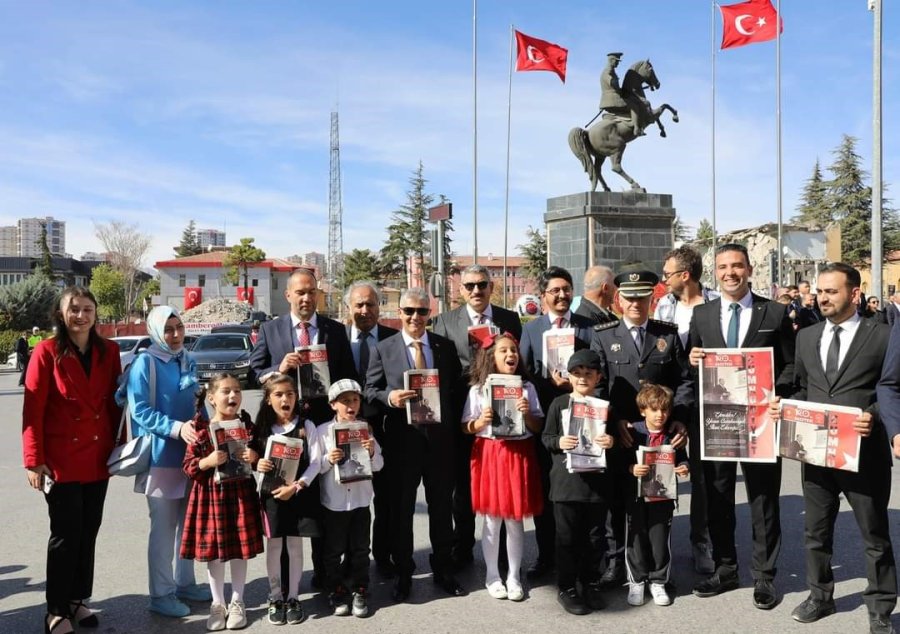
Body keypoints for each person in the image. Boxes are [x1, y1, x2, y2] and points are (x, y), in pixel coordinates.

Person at [769, 263, 896, 633]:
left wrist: (874, 417)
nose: (822, 297)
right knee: (816, 532)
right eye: (820, 292)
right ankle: (819, 596)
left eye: (831, 291)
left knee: (874, 535)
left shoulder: (885, 335)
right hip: (816, 455)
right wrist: (784, 405)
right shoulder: (807, 337)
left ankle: (881, 609)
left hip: (865, 454)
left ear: (854, 294)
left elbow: (894, 390)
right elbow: (800, 388)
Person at [688, 243, 796, 609]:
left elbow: (791, 366)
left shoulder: (776, 312)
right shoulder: (702, 316)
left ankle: (765, 576)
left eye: (737, 266)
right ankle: (725, 567)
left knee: (763, 499)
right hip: (717, 422)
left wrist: (777, 393)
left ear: (749, 269)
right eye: (723, 267)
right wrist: (692, 359)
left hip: (760, 422)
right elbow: (692, 367)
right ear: (714, 272)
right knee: (718, 497)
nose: (730, 273)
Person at [22, 287, 122, 634]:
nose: (81, 316)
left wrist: (122, 449)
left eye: (88, 309)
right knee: (65, 534)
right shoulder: (46, 352)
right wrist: (34, 460)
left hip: (97, 457)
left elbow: (114, 403)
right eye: (74, 309)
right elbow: (32, 410)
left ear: (96, 314)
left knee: (88, 531)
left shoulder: (109, 351)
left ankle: (79, 599)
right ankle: (55, 609)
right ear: (60, 314)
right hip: (60, 460)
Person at [591, 269, 692, 587]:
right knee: (618, 503)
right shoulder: (603, 334)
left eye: (642, 297)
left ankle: (656, 568)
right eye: (630, 297)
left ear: (652, 298)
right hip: (623, 436)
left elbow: (685, 380)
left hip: (660, 434)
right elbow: (598, 386)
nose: (636, 303)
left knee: (658, 504)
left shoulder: (668, 334)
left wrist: (681, 417)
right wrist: (612, 420)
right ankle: (616, 563)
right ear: (618, 299)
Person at [364, 287, 466, 602]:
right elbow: (369, 390)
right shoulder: (384, 348)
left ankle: (444, 570)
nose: (415, 318)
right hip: (402, 444)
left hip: (440, 443)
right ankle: (404, 573)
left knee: (440, 510)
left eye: (422, 312)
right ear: (400, 313)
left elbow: (456, 392)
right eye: (409, 311)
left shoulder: (444, 347)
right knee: (402, 511)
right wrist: (388, 397)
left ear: (429, 315)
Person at [431, 264, 522, 569]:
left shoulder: (509, 319)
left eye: (481, 284)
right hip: (462, 414)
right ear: (460, 290)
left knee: (501, 480)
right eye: (469, 286)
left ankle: (502, 548)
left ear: (491, 286)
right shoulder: (444, 322)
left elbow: (517, 362)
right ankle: (463, 545)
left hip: (503, 414)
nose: (476, 291)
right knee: (463, 483)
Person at [126, 306, 209, 618]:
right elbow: (140, 411)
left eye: (179, 328)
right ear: (156, 330)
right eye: (169, 329)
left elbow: (198, 402)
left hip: (191, 458)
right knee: (163, 529)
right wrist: (176, 428)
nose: (175, 335)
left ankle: (185, 583)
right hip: (160, 457)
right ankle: (160, 595)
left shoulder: (187, 359)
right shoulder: (145, 363)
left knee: (188, 526)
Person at [519, 266, 595, 579]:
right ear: (544, 296)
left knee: (584, 493)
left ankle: (585, 559)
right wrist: (545, 382)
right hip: (545, 424)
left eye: (567, 289)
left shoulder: (588, 328)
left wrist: (573, 384)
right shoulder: (532, 329)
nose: (562, 295)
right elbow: (522, 374)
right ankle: (547, 555)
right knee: (547, 493)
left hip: (582, 421)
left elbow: (598, 370)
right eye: (555, 291)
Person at [461, 332, 544, 602]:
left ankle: (513, 575)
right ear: (491, 357)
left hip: (518, 453)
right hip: (490, 453)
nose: (510, 355)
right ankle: (492, 575)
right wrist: (481, 422)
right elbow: (466, 427)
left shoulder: (527, 389)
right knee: (492, 518)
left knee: (515, 517)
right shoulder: (478, 390)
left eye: (513, 351)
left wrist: (526, 413)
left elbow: (538, 426)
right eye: (503, 351)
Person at [180, 373, 264, 631]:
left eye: (237, 391)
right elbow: (188, 466)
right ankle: (217, 603)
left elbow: (259, 456)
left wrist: (254, 455)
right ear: (212, 398)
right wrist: (208, 462)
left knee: (240, 549)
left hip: (240, 493)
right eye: (226, 391)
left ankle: (238, 600)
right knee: (214, 553)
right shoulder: (199, 429)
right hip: (210, 495)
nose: (233, 396)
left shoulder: (247, 425)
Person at [653, 245, 718, 573]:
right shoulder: (664, 305)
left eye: (667, 274)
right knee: (664, 465)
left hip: (711, 398)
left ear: (685, 275)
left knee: (704, 475)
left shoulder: (716, 303)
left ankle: (701, 540)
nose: (663, 280)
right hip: (673, 399)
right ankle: (658, 544)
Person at [542, 349, 615, 615]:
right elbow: (546, 437)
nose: (583, 378)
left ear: (598, 377)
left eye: (588, 374)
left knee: (595, 538)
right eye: (577, 374)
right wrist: (558, 442)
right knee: (567, 538)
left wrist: (611, 442)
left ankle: (591, 582)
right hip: (566, 485)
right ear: (569, 377)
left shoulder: (605, 407)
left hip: (596, 485)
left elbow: (615, 443)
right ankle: (567, 587)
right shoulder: (559, 404)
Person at [253, 373, 321, 626]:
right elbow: (251, 459)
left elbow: (316, 463)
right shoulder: (261, 429)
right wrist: (257, 463)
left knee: (294, 546)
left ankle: (293, 597)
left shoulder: (307, 426)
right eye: (279, 395)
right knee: (274, 547)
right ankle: (275, 597)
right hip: (271, 497)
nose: (285, 399)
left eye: (290, 394)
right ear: (269, 400)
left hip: (297, 495)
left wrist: (298, 485)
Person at [248, 268, 357, 424]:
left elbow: (348, 375)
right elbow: (254, 376)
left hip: (325, 420)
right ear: (288, 295)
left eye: (312, 292)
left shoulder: (336, 331)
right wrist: (279, 369)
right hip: (282, 421)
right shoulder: (269, 330)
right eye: (300, 293)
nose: (307, 298)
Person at [343, 281, 398, 576]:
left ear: (379, 307)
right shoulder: (336, 339)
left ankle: (384, 556)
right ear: (348, 308)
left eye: (371, 304)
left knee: (386, 500)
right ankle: (344, 561)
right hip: (344, 429)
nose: (365, 310)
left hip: (385, 428)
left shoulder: (393, 338)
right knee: (346, 500)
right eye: (359, 305)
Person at [318, 379, 384, 619]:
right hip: (334, 502)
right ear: (333, 404)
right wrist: (329, 459)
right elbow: (316, 466)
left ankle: (360, 589)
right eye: (344, 401)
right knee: (333, 551)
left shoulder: (365, 430)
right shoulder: (323, 431)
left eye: (354, 400)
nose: (350, 406)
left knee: (360, 549)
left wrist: (371, 451)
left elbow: (379, 465)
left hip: (360, 500)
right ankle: (335, 590)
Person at [624, 384, 688, 608]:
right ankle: (636, 581)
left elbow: (682, 458)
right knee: (636, 538)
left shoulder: (673, 435)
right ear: (643, 410)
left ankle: (659, 580)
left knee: (660, 540)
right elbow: (621, 460)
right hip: (637, 496)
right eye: (654, 410)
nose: (659, 415)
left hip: (663, 498)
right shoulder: (634, 432)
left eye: (664, 410)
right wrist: (632, 468)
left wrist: (683, 468)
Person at [599, 52, 642, 136]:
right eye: (617, 61)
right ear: (611, 60)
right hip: (612, 99)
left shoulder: (610, 71)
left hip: (610, 98)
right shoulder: (608, 72)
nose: (618, 63)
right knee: (634, 106)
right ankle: (637, 129)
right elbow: (612, 83)